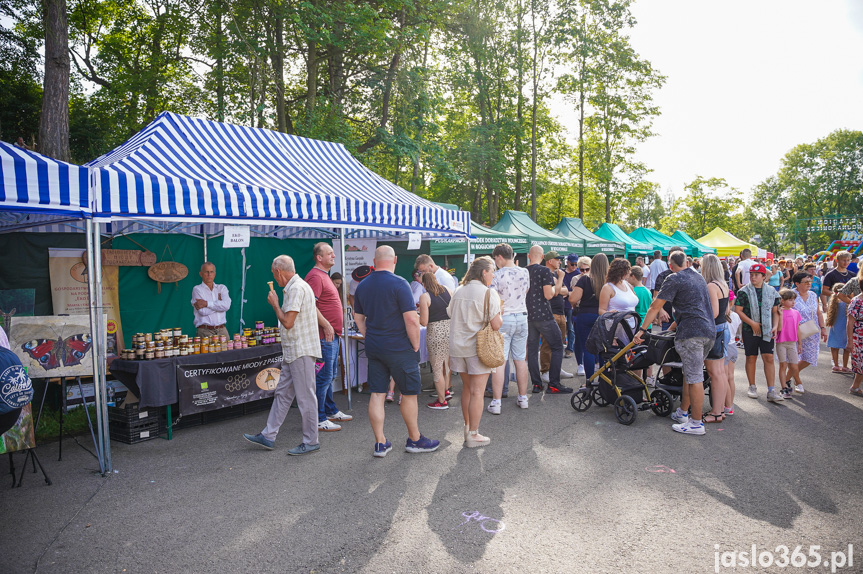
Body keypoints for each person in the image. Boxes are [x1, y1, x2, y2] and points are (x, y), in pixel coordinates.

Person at [354, 246, 439, 457]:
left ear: (374, 261)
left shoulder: (363, 285)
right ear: (395, 260)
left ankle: (380, 443)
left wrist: (368, 335)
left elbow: (358, 318)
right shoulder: (400, 283)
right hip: (400, 347)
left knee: (377, 393)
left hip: (374, 346)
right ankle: (415, 439)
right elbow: (411, 319)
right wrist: (416, 344)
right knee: (409, 393)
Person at [243, 255, 321, 455]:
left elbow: (287, 322)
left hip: (300, 350)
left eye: (273, 274)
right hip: (295, 350)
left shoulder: (295, 288)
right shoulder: (297, 286)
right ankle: (268, 435)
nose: (274, 279)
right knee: (283, 394)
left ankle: (311, 440)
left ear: (278, 271)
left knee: (305, 398)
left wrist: (275, 304)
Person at [634, 251, 715, 435]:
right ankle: (682, 413)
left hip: (691, 334)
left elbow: (656, 306)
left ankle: (696, 424)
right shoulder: (698, 276)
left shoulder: (674, 278)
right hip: (708, 331)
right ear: (687, 262)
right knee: (690, 374)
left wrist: (642, 330)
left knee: (694, 378)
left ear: (670, 265)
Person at [447, 257, 502, 447]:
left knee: (468, 390)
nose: (493, 274)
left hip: (457, 346)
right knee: (478, 391)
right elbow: (496, 325)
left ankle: (467, 427)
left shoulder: (458, 290)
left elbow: (449, 313)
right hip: (478, 348)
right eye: (492, 270)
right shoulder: (488, 293)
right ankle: (473, 434)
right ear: (483, 272)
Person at [305, 242, 353, 433]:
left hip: (331, 335)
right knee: (324, 377)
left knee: (329, 376)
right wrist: (326, 325)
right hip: (325, 335)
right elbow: (310, 306)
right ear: (319, 257)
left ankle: (330, 410)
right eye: (330, 253)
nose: (334, 256)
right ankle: (318, 418)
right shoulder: (315, 277)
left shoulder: (323, 276)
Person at [489, 243, 532, 411]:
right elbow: (526, 290)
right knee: (520, 359)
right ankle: (523, 398)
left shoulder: (497, 275)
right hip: (522, 316)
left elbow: (492, 298)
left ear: (499, 257)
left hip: (504, 318)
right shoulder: (525, 272)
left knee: (500, 362)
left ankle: (497, 402)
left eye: (495, 259)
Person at [525, 246, 571, 394]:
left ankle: (536, 384)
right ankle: (554, 383)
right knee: (557, 346)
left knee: (532, 351)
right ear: (543, 256)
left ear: (528, 256)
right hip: (544, 315)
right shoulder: (544, 271)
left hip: (529, 315)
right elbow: (549, 295)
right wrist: (560, 281)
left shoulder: (524, 271)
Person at [735, 263, 782, 402]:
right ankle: (752, 386)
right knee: (751, 357)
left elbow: (775, 312)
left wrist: (775, 326)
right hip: (750, 329)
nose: (753, 277)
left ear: (763, 276)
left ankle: (771, 390)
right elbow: (738, 310)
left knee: (768, 357)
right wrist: (752, 323)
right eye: (751, 274)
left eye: (756, 275)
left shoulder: (772, 291)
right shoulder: (744, 291)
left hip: (767, 329)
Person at [570, 253, 608, 382]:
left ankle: (589, 381)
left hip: (585, 315)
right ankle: (604, 381)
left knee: (588, 349)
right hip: (604, 316)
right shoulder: (609, 281)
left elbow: (573, 299)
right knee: (604, 349)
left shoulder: (584, 279)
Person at [700, 253, 730, 422]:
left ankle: (716, 413)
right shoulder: (722, 284)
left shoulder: (711, 286)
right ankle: (720, 410)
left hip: (715, 331)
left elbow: (715, 312)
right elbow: (726, 311)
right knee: (720, 372)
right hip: (723, 329)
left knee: (714, 372)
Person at [418, 272, 452, 410]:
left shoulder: (424, 297)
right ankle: (446, 390)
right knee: (446, 365)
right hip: (450, 329)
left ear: (423, 283)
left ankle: (441, 401)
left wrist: (418, 313)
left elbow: (424, 322)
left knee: (437, 367)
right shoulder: (448, 290)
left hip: (436, 332)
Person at [540, 251, 573, 383]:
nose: (560, 261)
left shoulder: (556, 275)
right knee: (548, 344)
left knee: (559, 344)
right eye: (557, 259)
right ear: (549, 261)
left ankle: (556, 368)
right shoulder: (548, 274)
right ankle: (545, 370)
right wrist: (559, 283)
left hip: (561, 312)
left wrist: (558, 286)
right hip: (550, 313)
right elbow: (556, 292)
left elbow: (566, 291)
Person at [790, 271, 826, 392]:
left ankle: (788, 376)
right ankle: (797, 381)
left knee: (809, 358)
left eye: (809, 281)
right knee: (793, 358)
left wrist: (823, 328)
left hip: (811, 330)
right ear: (797, 283)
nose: (809, 284)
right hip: (794, 331)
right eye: (805, 282)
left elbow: (818, 313)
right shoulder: (791, 295)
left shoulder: (812, 295)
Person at [627, 265, 655, 385]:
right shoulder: (647, 291)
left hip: (638, 325)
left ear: (633, 276)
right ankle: (649, 377)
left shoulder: (633, 291)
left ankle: (636, 380)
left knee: (637, 354)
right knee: (648, 353)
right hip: (648, 325)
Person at [775, 289, 804, 399]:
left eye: (794, 300)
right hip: (781, 342)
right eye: (790, 300)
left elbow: (797, 328)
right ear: (782, 301)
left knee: (794, 365)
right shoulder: (778, 313)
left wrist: (800, 343)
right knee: (783, 365)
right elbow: (779, 328)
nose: (793, 302)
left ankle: (789, 381)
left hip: (792, 343)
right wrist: (781, 315)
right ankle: (783, 388)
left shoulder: (796, 313)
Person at [191, 262, 231, 339]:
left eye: (211, 272)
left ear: (215, 274)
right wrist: (219, 304)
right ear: (201, 274)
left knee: (228, 351)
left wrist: (206, 303)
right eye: (206, 272)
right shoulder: (197, 289)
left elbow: (227, 306)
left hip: (222, 330)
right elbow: (203, 312)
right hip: (205, 331)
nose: (209, 274)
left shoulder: (222, 288)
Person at [653, 246, 686, 331]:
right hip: (667, 316)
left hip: (684, 318)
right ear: (668, 258)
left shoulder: (689, 276)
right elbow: (655, 296)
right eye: (673, 257)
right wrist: (661, 310)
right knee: (666, 343)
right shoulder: (662, 276)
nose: (676, 260)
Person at [826, 283, 851, 373]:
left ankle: (836, 365)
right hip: (846, 327)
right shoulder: (848, 302)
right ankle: (845, 366)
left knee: (834, 347)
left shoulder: (833, 302)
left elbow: (829, 315)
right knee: (846, 348)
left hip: (835, 326)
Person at [563, 254, 581, 358]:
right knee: (561, 327)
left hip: (570, 305)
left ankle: (569, 349)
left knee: (570, 328)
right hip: (561, 305)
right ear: (567, 263)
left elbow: (576, 292)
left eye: (576, 264)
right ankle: (561, 347)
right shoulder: (561, 272)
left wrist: (567, 293)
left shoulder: (578, 274)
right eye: (572, 264)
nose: (574, 266)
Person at [847, 292, 863, 397]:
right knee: (861, 363)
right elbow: (850, 322)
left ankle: (855, 386)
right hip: (859, 337)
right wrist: (850, 341)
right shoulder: (856, 301)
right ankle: (855, 387)